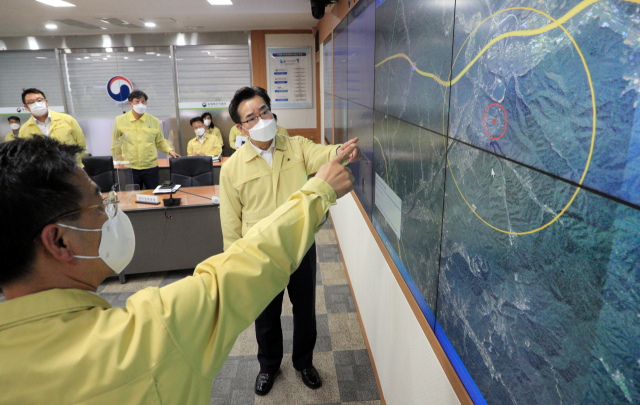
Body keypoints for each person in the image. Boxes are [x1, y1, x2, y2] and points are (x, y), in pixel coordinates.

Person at [0, 136, 356, 404]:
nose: (111, 210)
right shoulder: (149, 336)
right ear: (59, 241)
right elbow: (250, 262)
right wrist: (317, 194)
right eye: (99, 202)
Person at [219, 86, 361, 395]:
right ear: (241, 127)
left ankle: (304, 362)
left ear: (272, 112)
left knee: (305, 309)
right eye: (251, 117)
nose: (261, 119)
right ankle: (268, 366)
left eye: (265, 112)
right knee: (266, 315)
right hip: (259, 254)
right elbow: (231, 224)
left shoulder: (296, 147)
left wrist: (342, 152)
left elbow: (323, 154)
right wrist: (235, 262)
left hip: (300, 246)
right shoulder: (231, 169)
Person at [111, 90, 180, 190]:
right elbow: (115, 143)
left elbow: (160, 141)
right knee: (133, 197)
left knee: (154, 194)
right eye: (137, 101)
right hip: (130, 168)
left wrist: (170, 151)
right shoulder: (120, 120)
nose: (141, 104)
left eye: (143, 102)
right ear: (130, 104)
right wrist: (119, 159)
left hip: (150, 167)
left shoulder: (154, 121)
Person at [18, 88, 86, 166]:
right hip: (43, 173)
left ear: (46, 102)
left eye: (39, 100)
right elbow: (25, 154)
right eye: (31, 102)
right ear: (26, 107)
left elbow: (81, 144)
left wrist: (72, 162)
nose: (36, 104)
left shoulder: (67, 119)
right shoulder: (24, 129)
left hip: (72, 169)